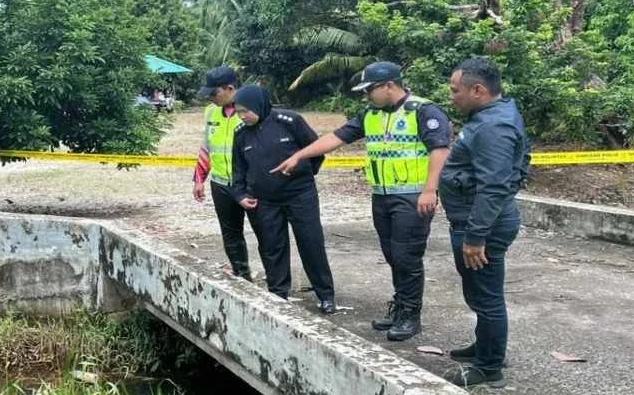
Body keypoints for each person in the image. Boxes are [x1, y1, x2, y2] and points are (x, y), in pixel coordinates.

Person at [271, 61, 451, 341]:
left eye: (370, 90)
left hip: (412, 196)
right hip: (382, 195)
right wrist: (300, 155)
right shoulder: (371, 114)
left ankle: (410, 315)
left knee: (407, 257)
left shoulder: (423, 110)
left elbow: (440, 149)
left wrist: (430, 189)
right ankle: (401, 305)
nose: (366, 96)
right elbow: (336, 137)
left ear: (389, 85)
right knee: (393, 255)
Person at [441, 57, 530, 388]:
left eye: (456, 90)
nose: (452, 96)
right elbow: (521, 165)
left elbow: (493, 185)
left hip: (480, 226)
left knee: (486, 295)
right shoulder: (496, 115)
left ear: (477, 90)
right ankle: (487, 346)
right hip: (478, 220)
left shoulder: (493, 126)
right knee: (481, 293)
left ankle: (489, 366)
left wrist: (476, 236)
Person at [230, 84, 337, 313]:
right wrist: (240, 195)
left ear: (258, 105)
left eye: (245, 110)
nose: (242, 116)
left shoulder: (289, 121)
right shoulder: (241, 135)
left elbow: (316, 151)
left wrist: (304, 174)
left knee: (311, 243)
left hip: (300, 195)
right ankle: (278, 293)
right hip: (265, 201)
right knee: (272, 247)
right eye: (238, 111)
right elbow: (238, 170)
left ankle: (325, 294)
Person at [192, 65, 265, 281]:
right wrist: (199, 179)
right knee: (231, 234)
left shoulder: (252, 110)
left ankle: (277, 282)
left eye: (214, 93)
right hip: (221, 184)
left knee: (266, 233)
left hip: (250, 185)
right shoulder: (211, 112)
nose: (210, 98)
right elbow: (207, 147)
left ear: (230, 88)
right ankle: (242, 276)